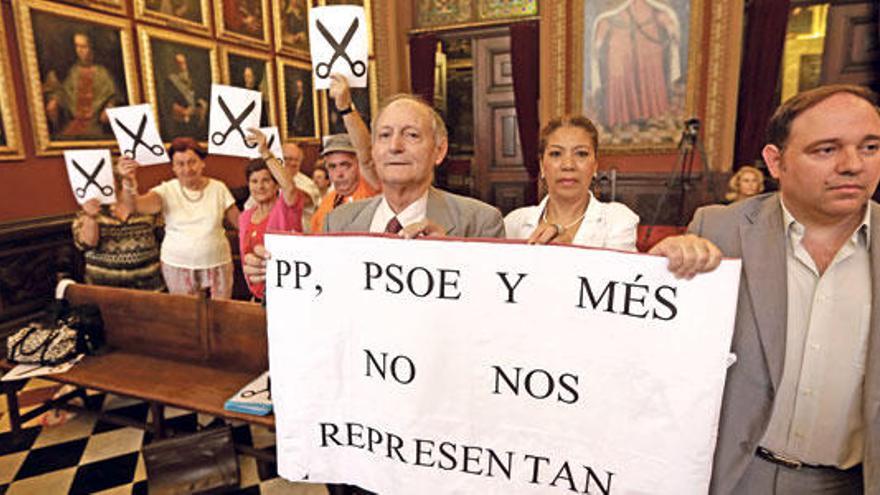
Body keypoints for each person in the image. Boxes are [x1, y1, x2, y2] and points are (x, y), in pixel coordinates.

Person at [689, 84, 880, 494]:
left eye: (869, 147)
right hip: (738, 476)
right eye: (826, 150)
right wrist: (665, 265)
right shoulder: (718, 231)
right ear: (776, 162)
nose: (852, 165)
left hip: (850, 482)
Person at [118, 137, 240, 299]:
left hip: (217, 262)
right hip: (177, 264)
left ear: (202, 163)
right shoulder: (166, 190)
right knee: (187, 317)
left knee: (221, 315)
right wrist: (128, 181)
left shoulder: (218, 187)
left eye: (192, 162)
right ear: (173, 168)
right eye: (180, 164)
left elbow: (240, 222)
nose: (187, 169)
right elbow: (134, 206)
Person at [504, 115, 639, 249]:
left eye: (581, 154)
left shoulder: (617, 219)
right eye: (556, 154)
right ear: (541, 166)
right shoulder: (513, 223)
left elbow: (619, 270)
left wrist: (569, 249)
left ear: (595, 166)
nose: (568, 165)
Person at [590, 0, 681, 129]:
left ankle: (650, 114)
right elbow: (605, 17)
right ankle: (620, 117)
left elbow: (661, 13)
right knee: (619, 79)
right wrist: (599, 39)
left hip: (648, 45)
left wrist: (670, 27)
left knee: (649, 77)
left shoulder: (650, 6)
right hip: (620, 44)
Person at [239, 130, 304, 300]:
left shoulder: (286, 208)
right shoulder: (245, 217)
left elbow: (289, 187)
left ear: (276, 186)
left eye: (266, 180)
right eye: (254, 181)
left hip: (287, 292)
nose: (259, 186)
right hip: (257, 295)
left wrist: (265, 153)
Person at [71, 174, 165, 291]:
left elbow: (164, 241)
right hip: (104, 289)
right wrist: (90, 216)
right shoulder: (86, 213)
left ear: (118, 182)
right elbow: (87, 244)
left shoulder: (144, 207)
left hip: (149, 287)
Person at [44, 32, 118, 138]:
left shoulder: (102, 73)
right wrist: (55, 101)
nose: (79, 50)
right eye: (77, 46)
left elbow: (113, 96)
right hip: (75, 122)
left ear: (92, 48)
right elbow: (65, 93)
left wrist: (109, 107)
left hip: (95, 123)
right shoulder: (74, 71)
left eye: (83, 47)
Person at [165, 52, 208, 139]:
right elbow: (169, 102)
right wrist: (184, 111)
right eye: (179, 63)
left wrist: (200, 104)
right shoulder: (170, 81)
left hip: (195, 117)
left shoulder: (191, 78)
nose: (181, 65)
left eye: (183, 62)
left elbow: (197, 95)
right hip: (181, 119)